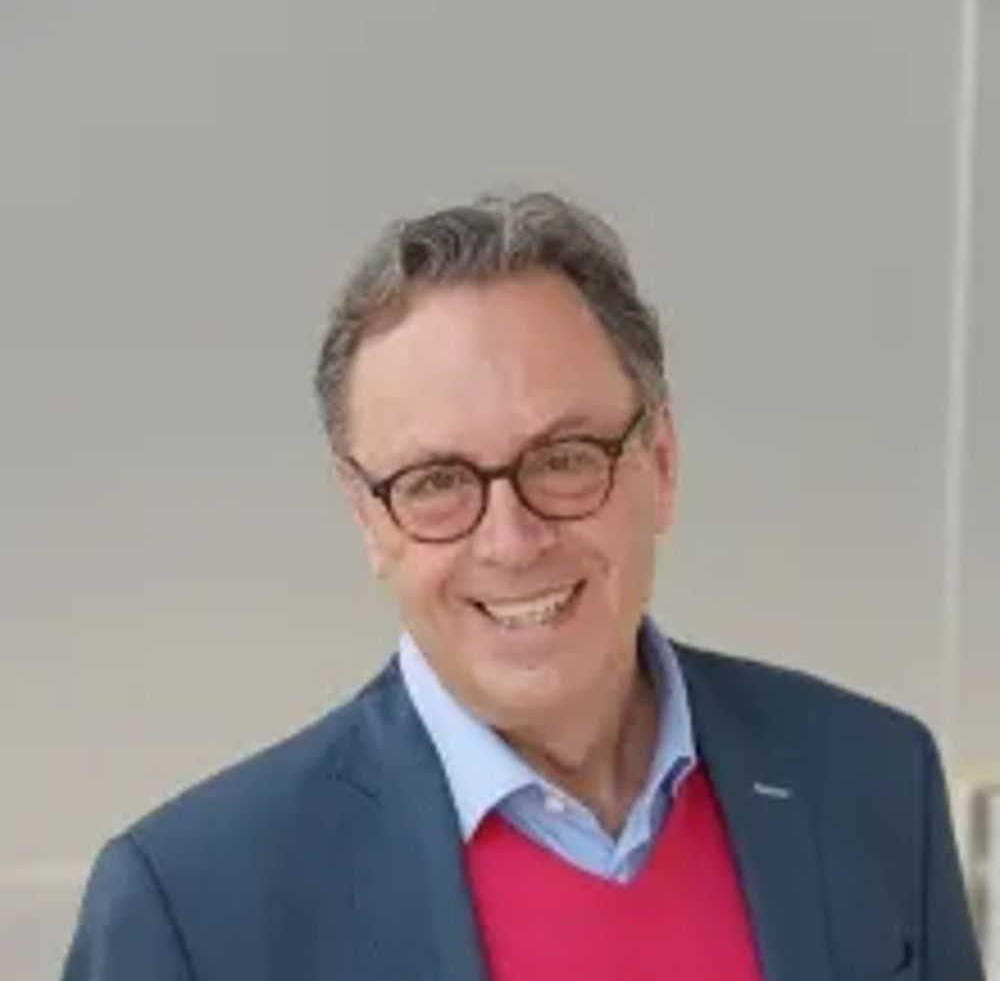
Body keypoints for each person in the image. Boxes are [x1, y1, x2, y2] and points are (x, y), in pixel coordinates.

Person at [62, 192, 984, 980]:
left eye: (565, 457)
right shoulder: (194, 911)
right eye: (436, 482)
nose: (511, 540)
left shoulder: (873, 780)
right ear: (368, 518)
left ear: (661, 461)